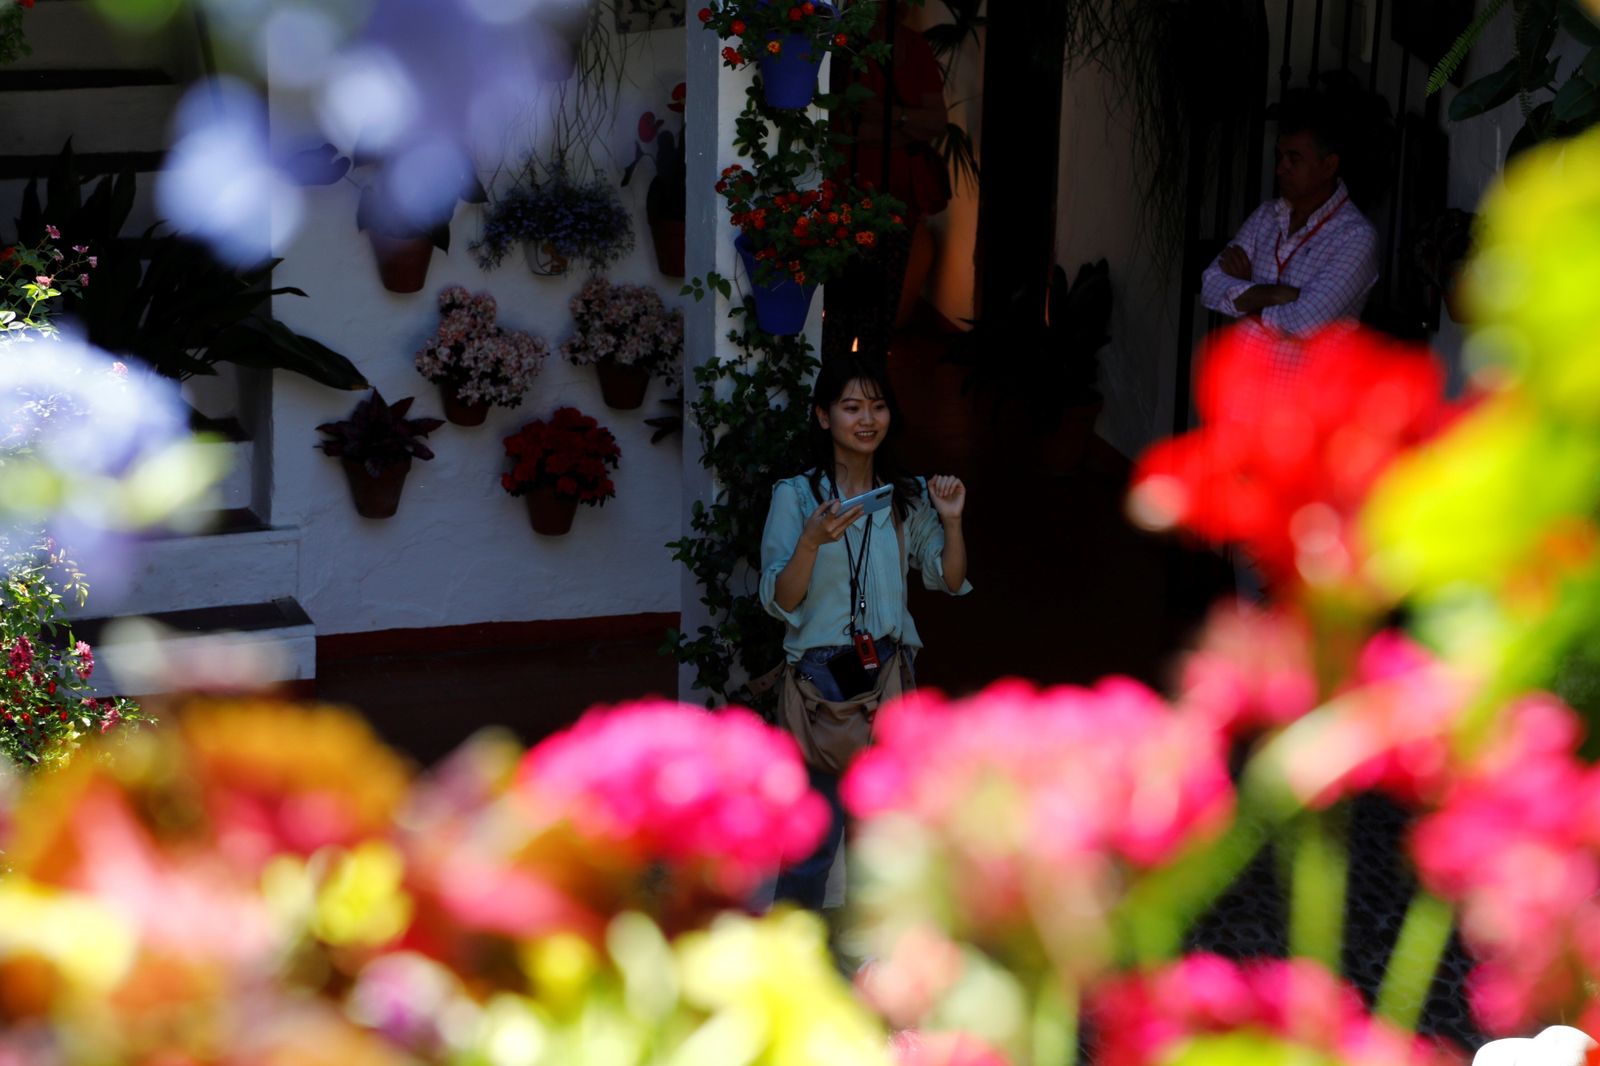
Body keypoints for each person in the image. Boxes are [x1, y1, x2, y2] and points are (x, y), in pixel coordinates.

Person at [759, 355, 970, 910]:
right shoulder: (797, 497)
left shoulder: (904, 496)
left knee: (884, 837)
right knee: (813, 841)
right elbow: (782, 602)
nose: (867, 419)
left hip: (891, 675)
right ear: (824, 417)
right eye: (852, 407)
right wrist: (810, 542)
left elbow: (948, 580)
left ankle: (870, 959)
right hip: (820, 684)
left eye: (877, 407)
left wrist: (950, 520)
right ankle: (787, 965)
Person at [1200, 93, 1379, 382]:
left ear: (1329, 166)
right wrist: (1276, 293)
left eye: (1294, 159)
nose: (1280, 168)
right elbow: (1210, 284)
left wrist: (1246, 295)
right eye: (1279, 157)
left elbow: (1303, 322)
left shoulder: (1355, 237)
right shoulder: (1267, 216)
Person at [823, 5, 951, 358]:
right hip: (848, 194)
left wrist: (886, 116)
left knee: (884, 300)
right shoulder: (844, 48)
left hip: (899, 198)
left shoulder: (915, 47)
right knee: (842, 299)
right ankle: (836, 388)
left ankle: (871, 380)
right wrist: (905, 127)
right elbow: (843, 127)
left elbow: (936, 121)